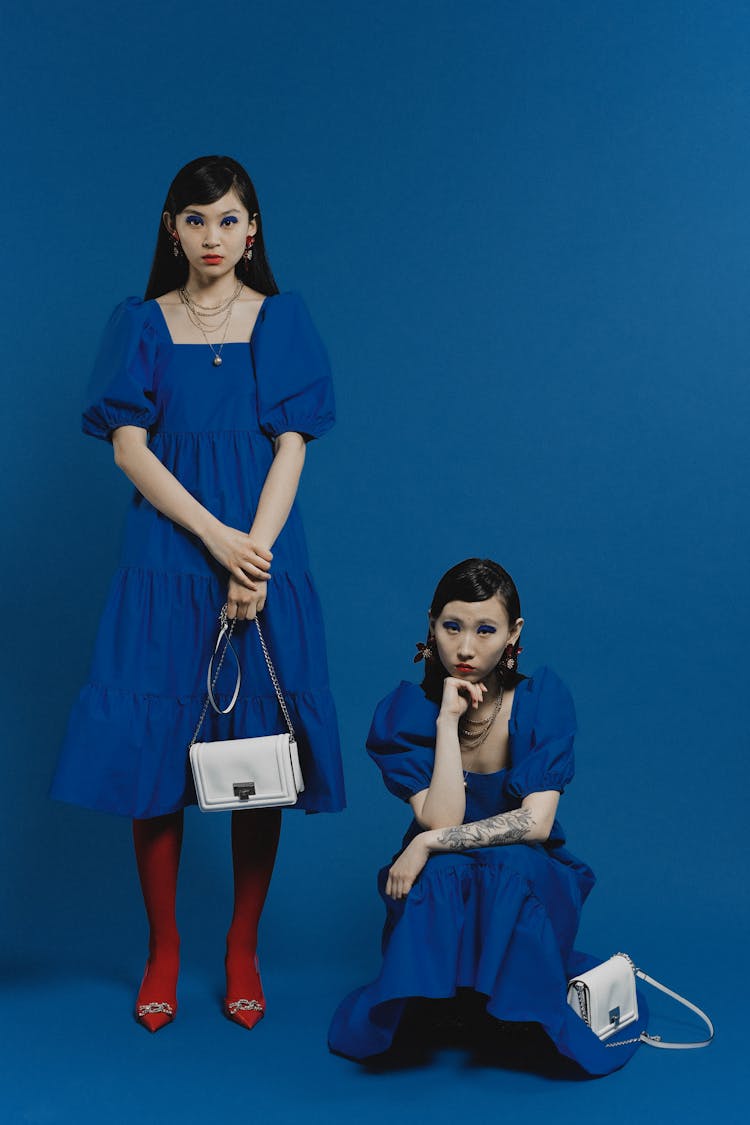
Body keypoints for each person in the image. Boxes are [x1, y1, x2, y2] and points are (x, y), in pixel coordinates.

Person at [52, 155, 345, 1033]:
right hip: (168, 552)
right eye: (195, 219)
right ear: (170, 230)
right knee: (156, 753)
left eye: (229, 220)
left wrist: (250, 557)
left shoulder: (282, 319)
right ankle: (164, 949)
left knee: (255, 753)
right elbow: (130, 451)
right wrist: (214, 541)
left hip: (262, 546)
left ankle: (242, 946)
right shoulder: (139, 323)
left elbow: (292, 446)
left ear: (253, 230)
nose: (213, 237)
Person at [328, 557, 647, 1076]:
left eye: (485, 630)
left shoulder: (540, 699)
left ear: (513, 633)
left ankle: (515, 1009)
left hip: (528, 873)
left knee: (510, 865)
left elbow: (535, 825)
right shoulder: (408, 713)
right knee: (443, 871)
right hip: (442, 874)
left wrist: (427, 844)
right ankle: (443, 1001)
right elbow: (441, 817)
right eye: (452, 627)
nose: (466, 647)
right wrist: (448, 721)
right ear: (431, 624)